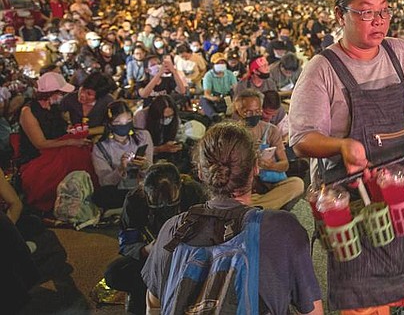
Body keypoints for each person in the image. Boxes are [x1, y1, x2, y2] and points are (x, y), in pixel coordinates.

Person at [289, 0, 404, 313]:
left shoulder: (400, 53)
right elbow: (301, 139)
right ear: (339, 14)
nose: (378, 21)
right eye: (365, 12)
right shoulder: (323, 69)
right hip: (355, 212)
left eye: (384, 11)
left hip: (402, 201)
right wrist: (340, 146)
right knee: (363, 296)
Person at [142, 122, 323, 315]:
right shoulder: (282, 229)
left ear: (201, 173)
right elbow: (312, 311)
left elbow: (154, 305)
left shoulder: (173, 229)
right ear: (255, 168)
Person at [103, 163, 206, 315]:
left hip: (190, 259)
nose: (164, 208)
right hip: (152, 260)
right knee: (114, 274)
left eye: (170, 203)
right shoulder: (134, 200)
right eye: (157, 204)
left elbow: (212, 233)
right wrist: (146, 250)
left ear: (180, 186)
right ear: (144, 190)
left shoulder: (194, 193)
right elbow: (126, 243)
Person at [18, 72, 94, 212]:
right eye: (60, 93)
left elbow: (61, 130)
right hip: (36, 157)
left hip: (56, 150)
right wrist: (70, 141)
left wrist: (71, 133)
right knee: (74, 151)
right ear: (51, 93)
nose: (62, 96)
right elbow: (40, 143)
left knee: (82, 148)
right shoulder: (28, 111)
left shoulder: (54, 108)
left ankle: (82, 194)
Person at [233, 89, 304, 210]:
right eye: (248, 112)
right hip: (245, 189)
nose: (254, 115)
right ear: (238, 111)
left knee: (297, 184)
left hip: (268, 184)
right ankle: (262, 207)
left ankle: (254, 208)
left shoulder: (271, 130)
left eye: (257, 111)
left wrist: (270, 166)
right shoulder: (232, 133)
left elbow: (285, 165)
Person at [91, 100, 154, 209]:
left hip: (143, 187)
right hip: (119, 190)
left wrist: (144, 166)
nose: (124, 126)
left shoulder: (143, 136)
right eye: (118, 123)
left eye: (128, 121)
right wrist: (121, 168)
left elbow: (151, 169)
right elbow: (105, 182)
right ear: (109, 123)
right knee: (102, 195)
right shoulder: (101, 147)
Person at [133, 96, 187, 171]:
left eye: (170, 116)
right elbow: (138, 150)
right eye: (164, 117)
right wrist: (160, 149)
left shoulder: (175, 119)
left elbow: (180, 134)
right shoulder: (141, 117)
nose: (168, 119)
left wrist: (178, 144)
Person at [60, 71, 116, 138]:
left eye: (89, 94)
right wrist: (67, 125)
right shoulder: (69, 99)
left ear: (99, 96)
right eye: (83, 89)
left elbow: (112, 125)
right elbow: (59, 115)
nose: (82, 95)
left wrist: (86, 132)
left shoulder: (107, 102)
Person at [200, 52, 237, 119]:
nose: (221, 65)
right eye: (218, 63)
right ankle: (214, 116)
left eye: (222, 63)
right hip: (215, 98)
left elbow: (236, 89)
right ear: (213, 65)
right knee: (203, 100)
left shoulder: (230, 74)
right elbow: (207, 93)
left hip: (228, 96)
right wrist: (213, 98)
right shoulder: (208, 76)